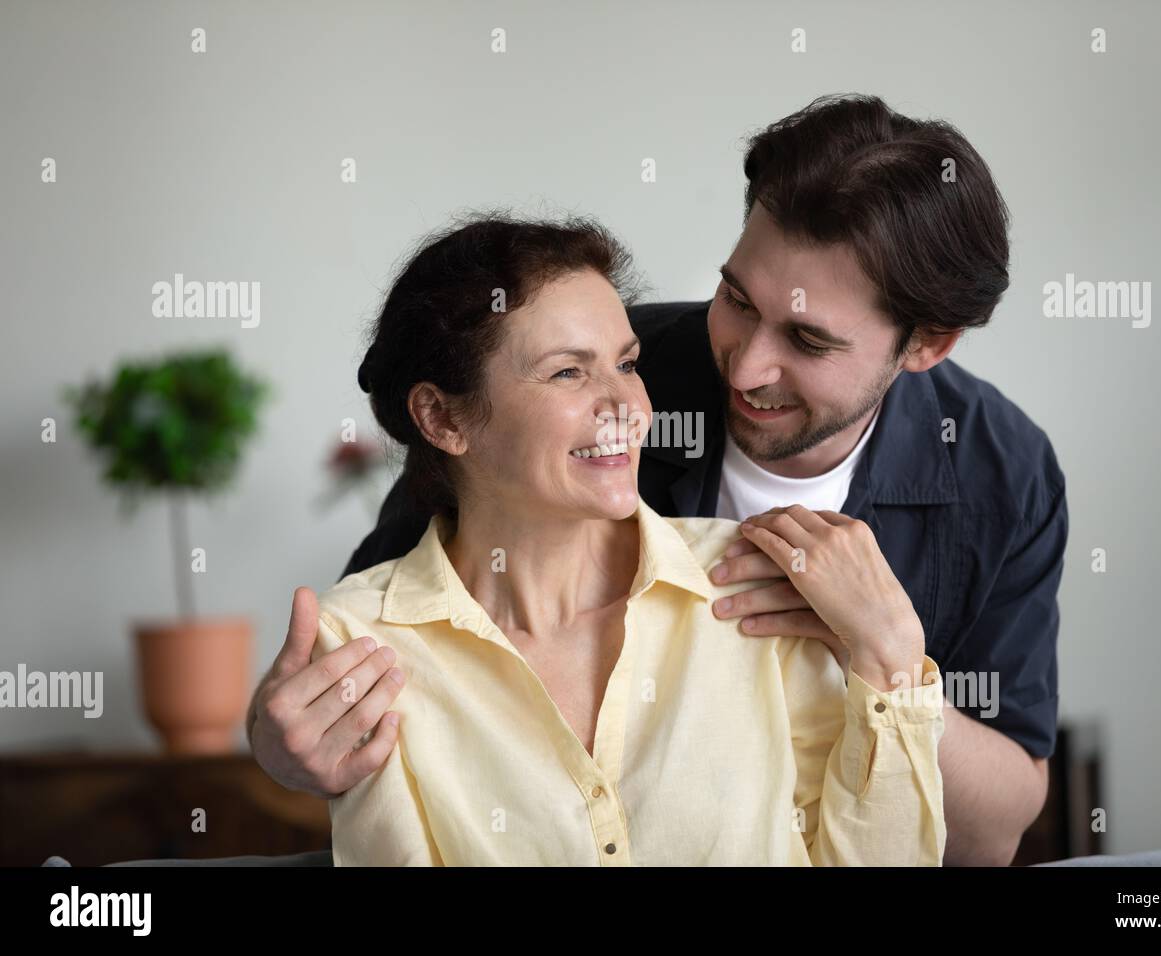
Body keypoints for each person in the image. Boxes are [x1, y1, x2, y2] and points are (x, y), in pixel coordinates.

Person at [248, 93, 1067, 865]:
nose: (745, 366)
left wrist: (884, 652)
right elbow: (390, 629)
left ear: (925, 347)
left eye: (808, 342)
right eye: (736, 300)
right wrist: (279, 740)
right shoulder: (606, 351)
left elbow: (991, 835)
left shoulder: (1003, 472)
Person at [311, 212, 946, 865]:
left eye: (628, 364)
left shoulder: (753, 579)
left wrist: (894, 657)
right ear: (442, 417)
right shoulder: (358, 646)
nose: (627, 407)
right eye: (568, 373)